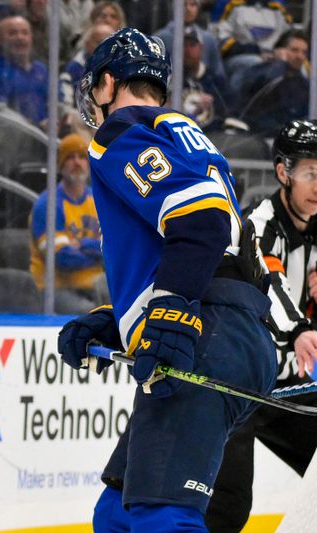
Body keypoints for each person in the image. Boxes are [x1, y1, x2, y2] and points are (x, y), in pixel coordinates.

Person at [57, 28, 276, 532]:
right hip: (232, 329)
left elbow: (200, 223)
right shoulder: (181, 135)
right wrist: (123, 320)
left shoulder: (122, 131)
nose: (94, 102)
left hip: (208, 334)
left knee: (162, 518)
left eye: (95, 90)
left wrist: (174, 310)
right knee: (116, 512)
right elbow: (209, 251)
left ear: (108, 83)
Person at [205, 120, 317, 533]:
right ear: (283, 172)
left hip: (293, 384)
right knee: (229, 502)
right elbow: (273, 287)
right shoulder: (261, 223)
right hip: (247, 381)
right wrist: (301, 329)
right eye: (310, 172)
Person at [29, 133, 107, 314]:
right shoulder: (47, 205)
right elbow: (62, 259)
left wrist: (81, 245)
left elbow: (116, 248)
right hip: (55, 290)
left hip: (96, 285)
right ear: (61, 165)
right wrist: (99, 251)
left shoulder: (97, 199)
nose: (77, 163)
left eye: (82, 157)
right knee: (95, 314)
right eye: (70, 157)